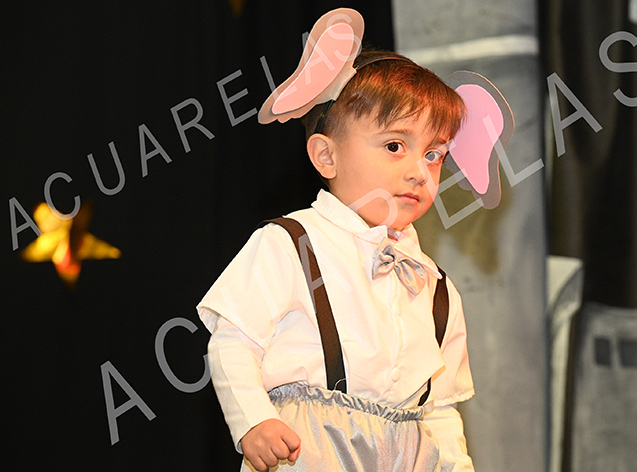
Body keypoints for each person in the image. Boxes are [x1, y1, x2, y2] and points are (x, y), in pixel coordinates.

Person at [197, 8, 483, 471]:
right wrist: (253, 420)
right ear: (326, 156)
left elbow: (440, 409)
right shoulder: (289, 243)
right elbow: (233, 341)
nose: (419, 171)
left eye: (434, 155)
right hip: (310, 449)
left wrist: (457, 465)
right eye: (395, 146)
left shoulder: (434, 284)